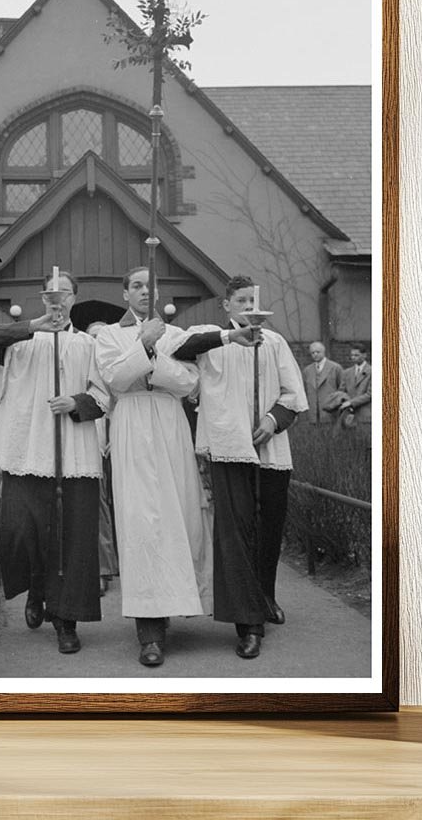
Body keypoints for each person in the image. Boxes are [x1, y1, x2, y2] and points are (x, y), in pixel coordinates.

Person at [0, 271, 107, 655]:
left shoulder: (88, 346)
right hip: (26, 450)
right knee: (21, 529)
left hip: (74, 451)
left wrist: (77, 403)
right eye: (51, 294)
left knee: (73, 538)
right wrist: (32, 326)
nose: (58, 300)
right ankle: (36, 586)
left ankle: (66, 620)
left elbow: (105, 393)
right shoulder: (22, 343)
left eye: (65, 294)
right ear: (42, 299)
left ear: (74, 300)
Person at [173, 276, 307, 660]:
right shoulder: (212, 340)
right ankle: (247, 624)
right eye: (242, 300)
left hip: (271, 449)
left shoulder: (275, 343)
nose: (249, 307)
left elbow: (293, 395)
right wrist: (231, 338)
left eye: (254, 300)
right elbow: (182, 349)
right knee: (236, 532)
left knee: (268, 528)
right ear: (227, 306)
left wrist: (272, 418)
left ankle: (264, 595)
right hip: (229, 449)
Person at [93, 266, 213, 668]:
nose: (145, 292)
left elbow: (188, 383)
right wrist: (143, 346)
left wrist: (155, 356)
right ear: (125, 292)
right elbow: (114, 380)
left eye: (151, 285)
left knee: (178, 514)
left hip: (169, 424)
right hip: (131, 424)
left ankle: (175, 602)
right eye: (137, 286)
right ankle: (148, 629)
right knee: (141, 520)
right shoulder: (110, 335)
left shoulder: (176, 334)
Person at [86, 321, 119, 596]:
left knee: (112, 507)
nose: (97, 341)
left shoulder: (115, 368)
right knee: (95, 507)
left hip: (117, 446)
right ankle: (97, 569)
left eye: (101, 336)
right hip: (90, 446)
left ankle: (109, 567)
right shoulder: (82, 369)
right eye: (92, 337)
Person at [302, 341, 344, 426]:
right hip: (313, 414)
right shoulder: (307, 370)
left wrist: (336, 404)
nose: (315, 354)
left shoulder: (335, 368)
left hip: (330, 412)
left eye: (318, 352)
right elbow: (304, 390)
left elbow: (342, 388)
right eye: (313, 353)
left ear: (323, 352)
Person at [337, 344, 372, 434]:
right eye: (352, 355)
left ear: (364, 355)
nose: (353, 358)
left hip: (366, 414)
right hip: (349, 415)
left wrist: (351, 402)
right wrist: (343, 400)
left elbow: (370, 394)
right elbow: (341, 391)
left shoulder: (372, 371)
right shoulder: (347, 372)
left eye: (356, 355)